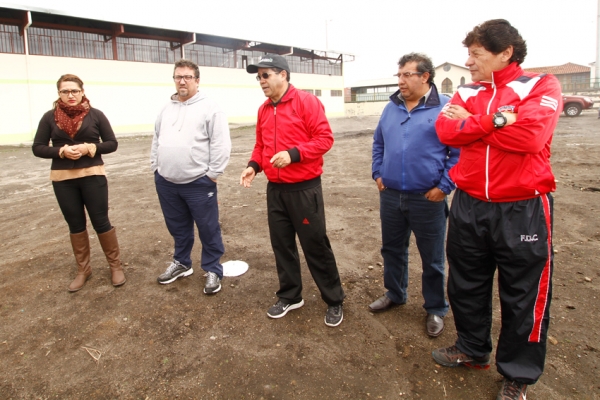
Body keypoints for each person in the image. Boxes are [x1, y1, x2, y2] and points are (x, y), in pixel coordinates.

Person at [432, 19, 562, 400]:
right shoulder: (467, 90)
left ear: (505, 52)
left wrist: (473, 124)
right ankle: (472, 349)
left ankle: (517, 374)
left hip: (522, 207)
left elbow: (532, 136)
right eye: (468, 54)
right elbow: (444, 132)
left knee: (522, 293)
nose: (468, 62)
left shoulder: (540, 85)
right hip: (470, 204)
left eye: (476, 54)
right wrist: (500, 119)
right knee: (465, 283)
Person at [239, 54, 345, 327]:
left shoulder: (306, 102)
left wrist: (294, 154)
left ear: (283, 74)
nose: (261, 81)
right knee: (282, 245)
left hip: (304, 189)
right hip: (276, 190)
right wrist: (254, 165)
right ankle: (290, 295)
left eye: (266, 75)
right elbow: (261, 146)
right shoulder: (264, 109)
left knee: (315, 245)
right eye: (258, 77)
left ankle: (334, 300)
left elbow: (324, 139)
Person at [369, 53, 459, 337]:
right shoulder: (391, 108)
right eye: (399, 75)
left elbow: (458, 154)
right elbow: (378, 143)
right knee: (392, 249)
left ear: (425, 77)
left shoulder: (446, 108)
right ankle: (395, 293)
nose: (401, 80)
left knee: (432, 257)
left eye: (407, 75)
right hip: (391, 195)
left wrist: (444, 187)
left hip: (427, 198)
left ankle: (435, 307)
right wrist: (378, 174)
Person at [32, 74, 126, 292]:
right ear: (59, 94)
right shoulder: (49, 117)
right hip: (63, 179)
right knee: (75, 225)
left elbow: (112, 143)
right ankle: (83, 270)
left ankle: (115, 266)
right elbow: (38, 147)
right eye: (65, 91)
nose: (70, 95)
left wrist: (89, 148)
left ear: (82, 92)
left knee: (101, 221)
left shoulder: (95, 115)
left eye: (74, 90)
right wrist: (61, 151)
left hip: (93, 175)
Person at [151, 59, 231, 294]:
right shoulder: (166, 108)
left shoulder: (210, 108)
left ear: (197, 80)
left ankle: (213, 268)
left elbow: (221, 144)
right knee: (177, 226)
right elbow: (156, 139)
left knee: (208, 228)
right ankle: (182, 263)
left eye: (187, 77)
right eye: (178, 77)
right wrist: (156, 167)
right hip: (166, 181)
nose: (182, 81)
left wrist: (213, 174)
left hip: (198, 183)